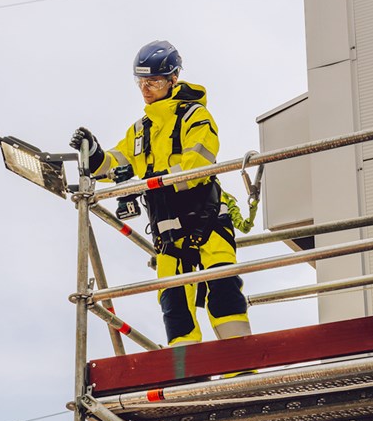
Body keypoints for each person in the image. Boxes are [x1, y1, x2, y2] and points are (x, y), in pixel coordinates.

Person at [70, 40, 251, 346]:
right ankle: (187, 373)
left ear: (172, 79)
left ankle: (241, 362)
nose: (145, 89)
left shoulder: (196, 117)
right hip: (167, 234)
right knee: (174, 304)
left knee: (223, 291)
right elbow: (115, 163)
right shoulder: (141, 130)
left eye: (153, 81)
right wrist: (94, 153)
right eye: (141, 82)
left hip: (206, 221)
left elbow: (197, 165)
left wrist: (152, 180)